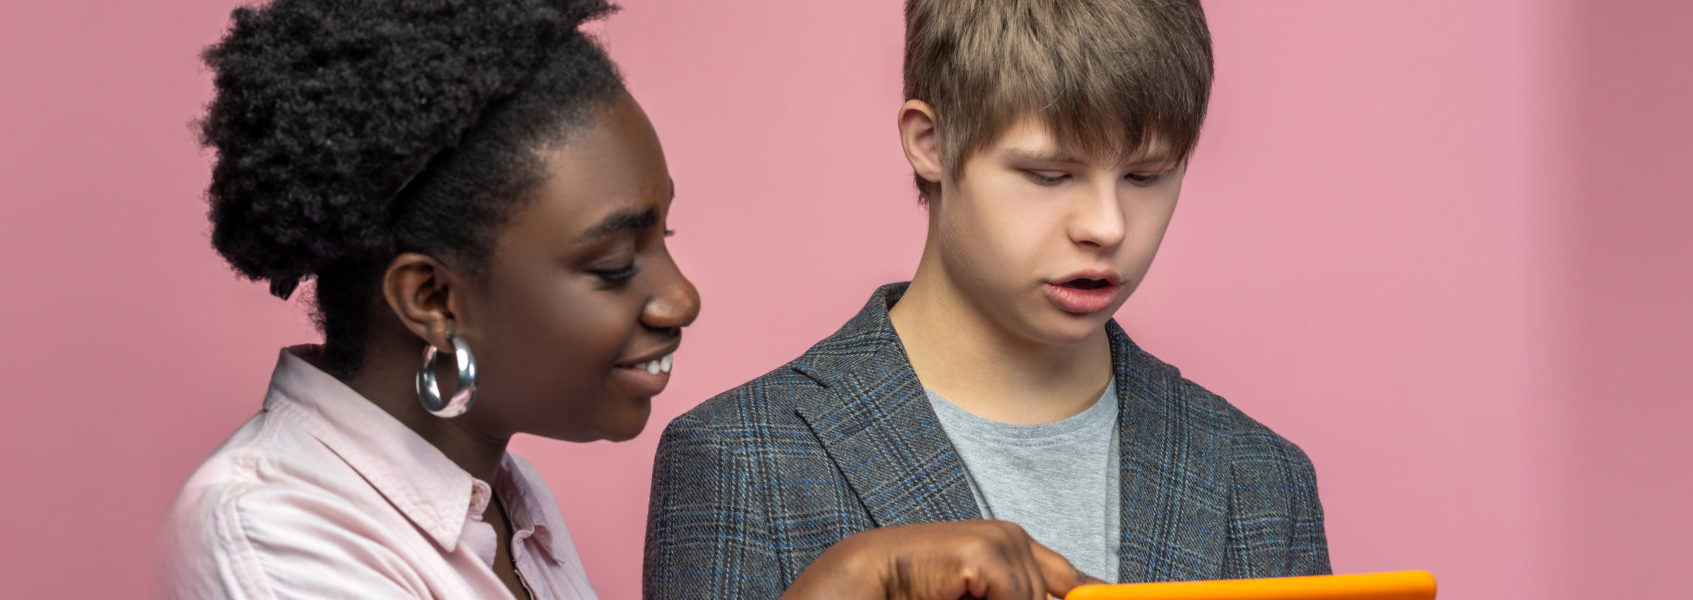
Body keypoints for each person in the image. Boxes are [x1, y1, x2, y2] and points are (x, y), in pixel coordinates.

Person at [163, 1, 1094, 598]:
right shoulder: (268, 534)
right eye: (614, 264)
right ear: (432, 297)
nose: (679, 298)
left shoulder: (509, 513)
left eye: (666, 242)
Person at [644, 0, 1330, 596]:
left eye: (1147, 176)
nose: (1108, 226)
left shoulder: (1265, 479)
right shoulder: (740, 462)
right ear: (931, 143)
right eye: (1049, 174)